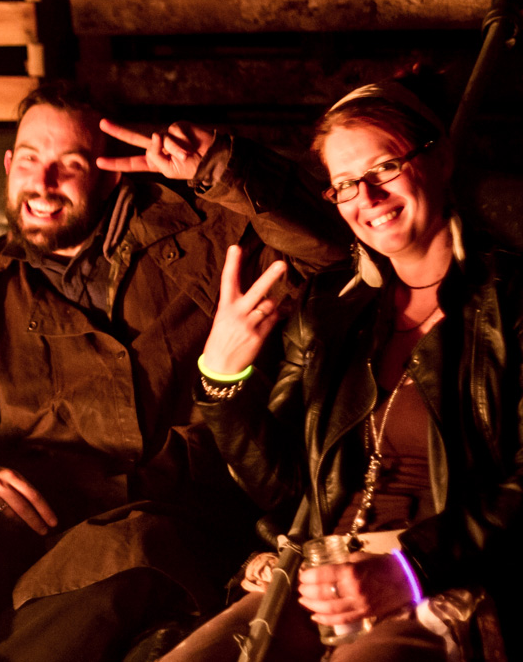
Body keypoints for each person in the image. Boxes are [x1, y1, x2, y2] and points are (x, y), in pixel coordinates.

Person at [0, 81, 348, 662]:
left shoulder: (203, 239)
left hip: (151, 516)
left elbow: (335, 252)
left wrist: (219, 166)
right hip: (22, 511)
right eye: (30, 160)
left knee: (121, 553)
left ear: (111, 175)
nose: (43, 183)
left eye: (70, 165)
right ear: (8, 166)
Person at [161, 76, 523, 662]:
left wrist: (409, 569)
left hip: (450, 582)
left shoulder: (511, 304)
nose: (367, 197)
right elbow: (283, 485)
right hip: (320, 574)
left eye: (385, 168)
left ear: (440, 159)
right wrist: (221, 381)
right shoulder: (331, 309)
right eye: (346, 183)